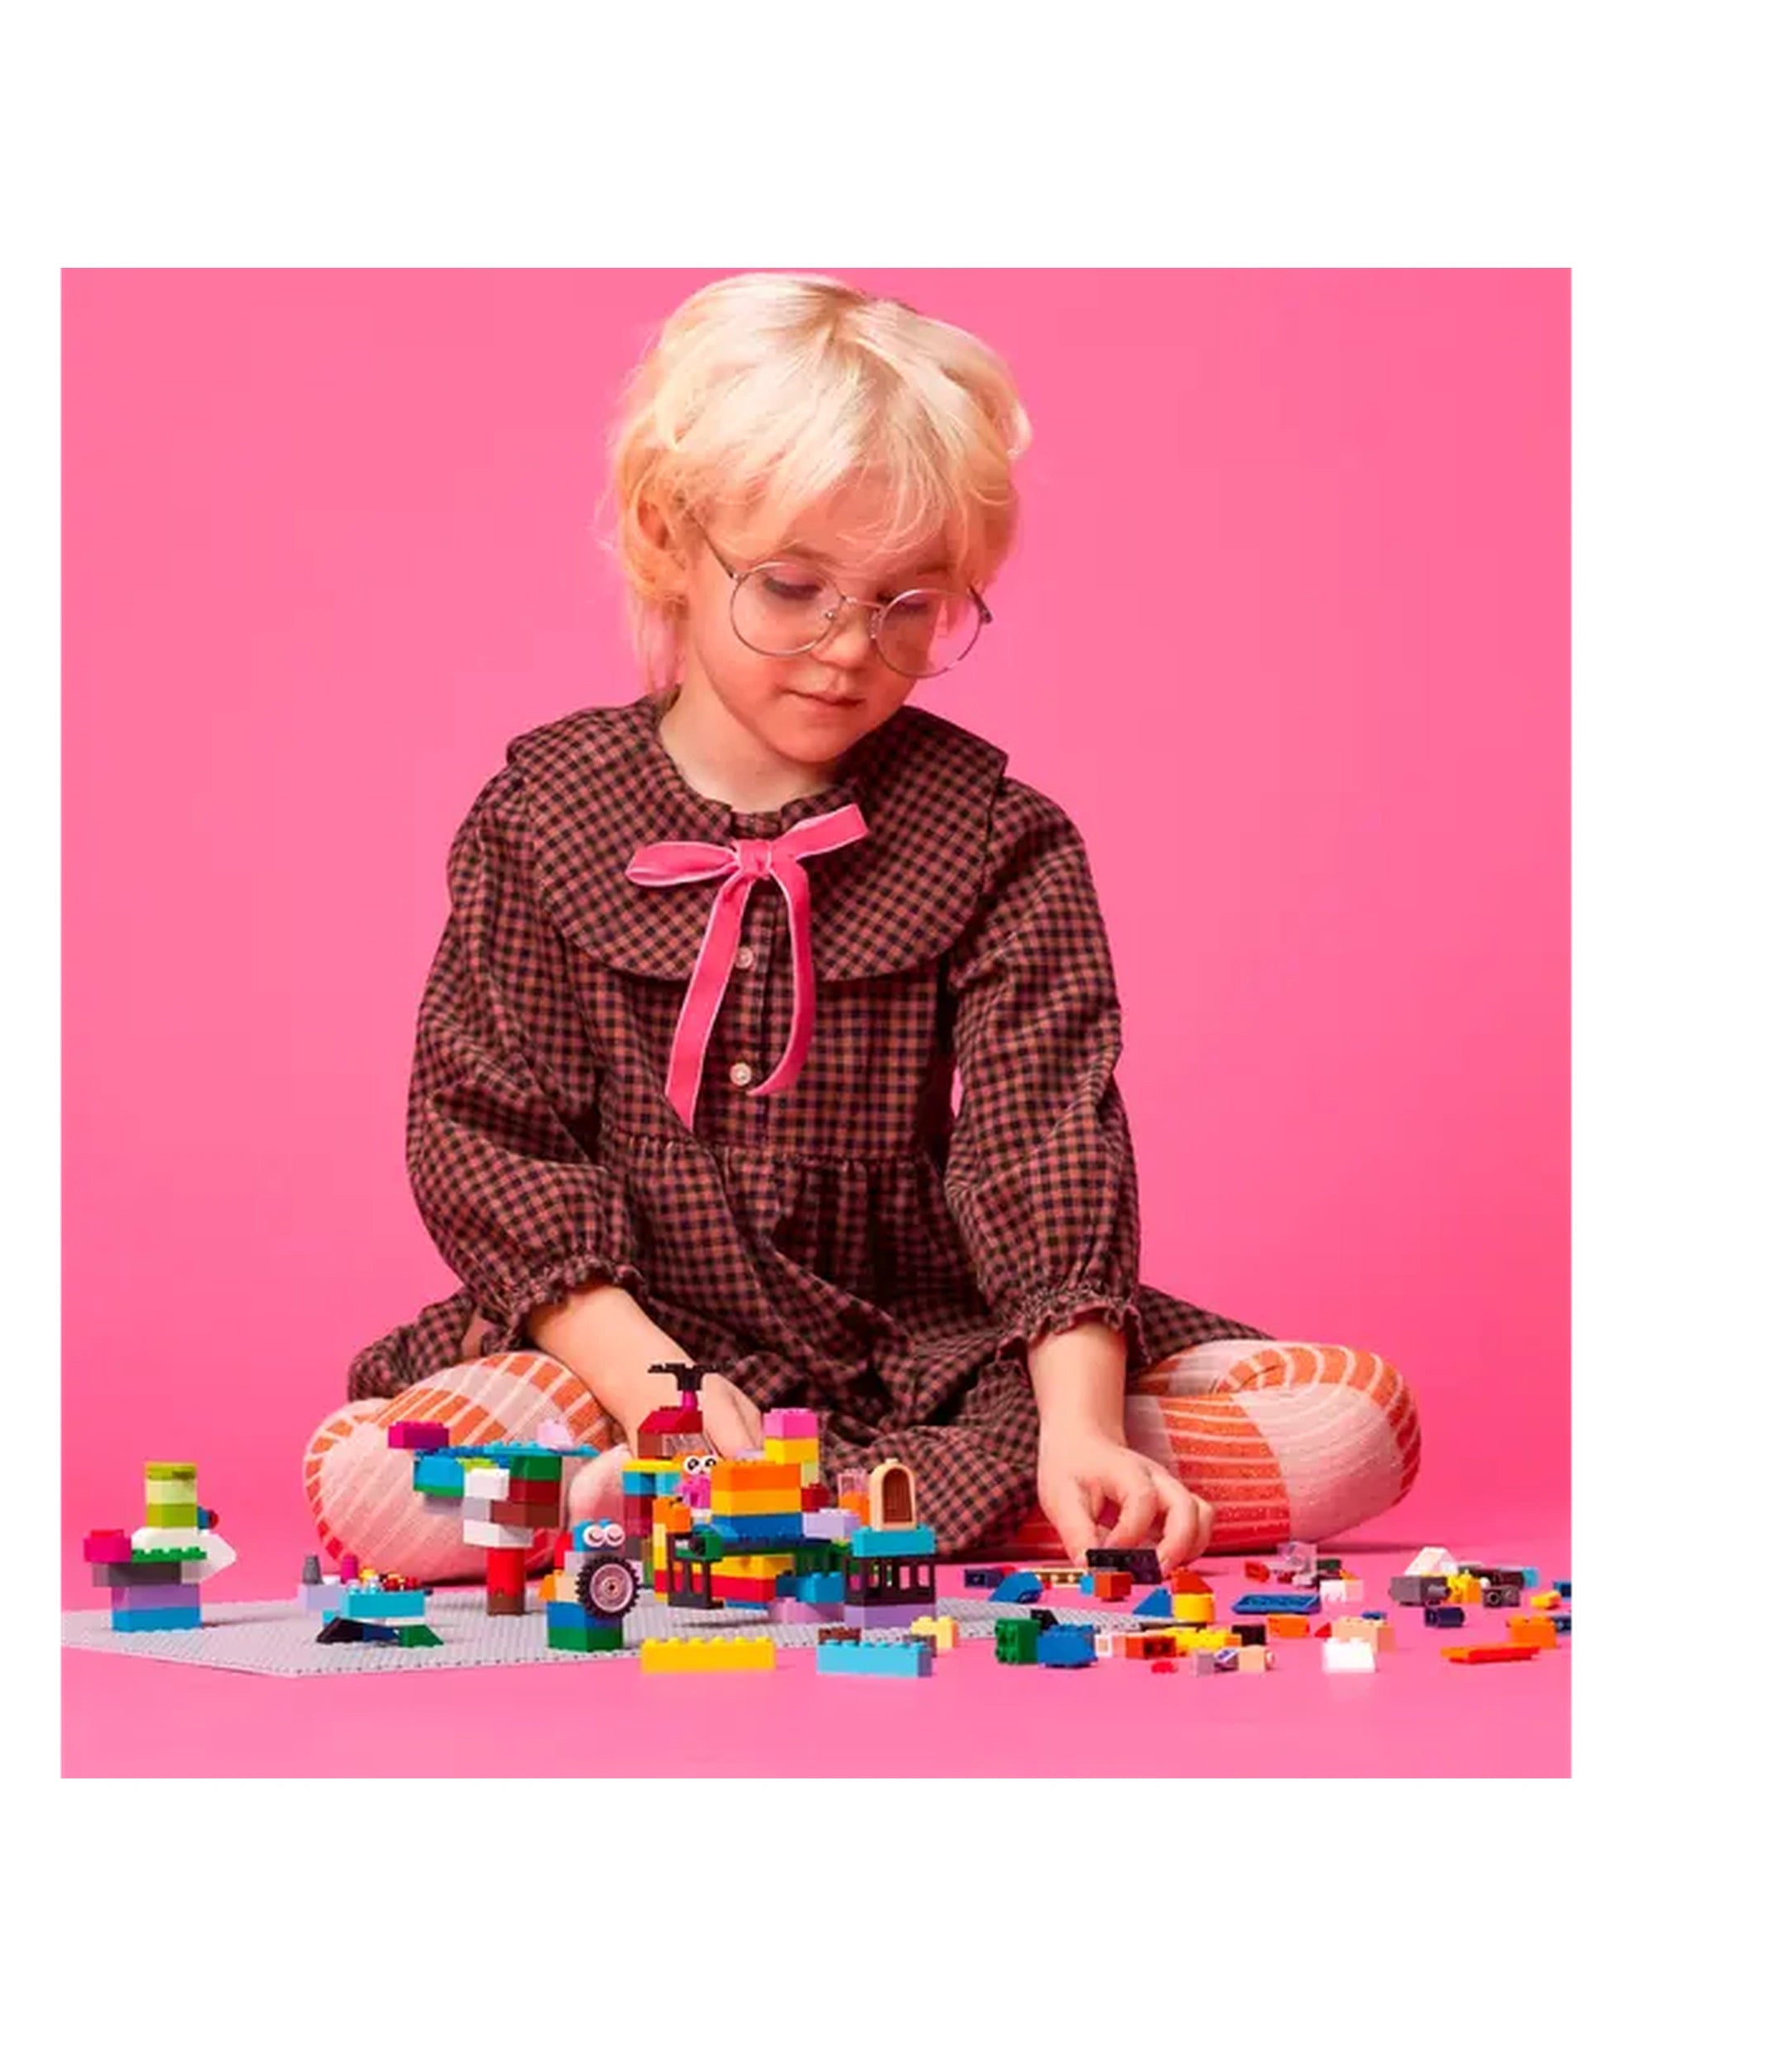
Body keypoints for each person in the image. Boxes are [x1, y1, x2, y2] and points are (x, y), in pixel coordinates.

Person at [304, 273, 1419, 1587]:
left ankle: (988, 1491)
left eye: (910, 605)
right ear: (670, 535)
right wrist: (657, 1385)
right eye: (793, 588)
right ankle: (753, 1497)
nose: (850, 647)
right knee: (373, 1477)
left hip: (924, 1344)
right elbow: (488, 1138)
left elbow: (1043, 1136)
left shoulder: (998, 836)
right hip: (617, 1345)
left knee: (1354, 1414)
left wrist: (1074, 1421)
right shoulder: (542, 818)